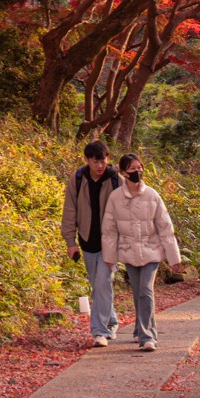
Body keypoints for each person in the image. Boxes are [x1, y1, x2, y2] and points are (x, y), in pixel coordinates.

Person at [100, 153, 181, 352]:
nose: (138, 172)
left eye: (140, 167)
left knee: (146, 290)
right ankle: (138, 329)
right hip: (129, 253)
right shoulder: (115, 198)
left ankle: (148, 336)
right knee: (137, 293)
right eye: (133, 169)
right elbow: (109, 230)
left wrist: (173, 257)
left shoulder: (152, 195)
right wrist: (110, 258)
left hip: (151, 251)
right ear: (123, 173)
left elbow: (165, 226)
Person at [60, 140, 121, 346]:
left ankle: (99, 332)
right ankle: (111, 320)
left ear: (108, 159)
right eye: (95, 161)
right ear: (86, 160)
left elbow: (127, 212)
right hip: (87, 240)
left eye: (103, 161)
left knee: (103, 282)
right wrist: (70, 241)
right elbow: (70, 211)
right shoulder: (78, 179)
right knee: (98, 285)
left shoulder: (116, 180)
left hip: (111, 242)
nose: (99, 166)